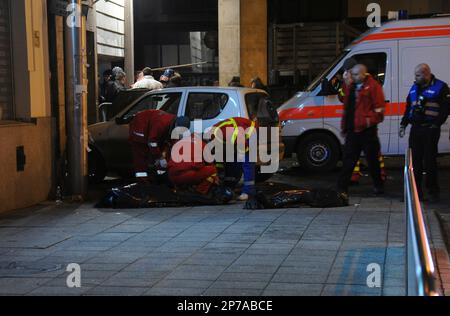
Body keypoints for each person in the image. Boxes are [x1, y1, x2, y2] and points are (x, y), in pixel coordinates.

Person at [400, 63, 450, 202]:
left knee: (430, 161)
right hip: (416, 129)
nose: (415, 78)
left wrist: (436, 124)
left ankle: (433, 191)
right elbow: (409, 106)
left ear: (426, 74)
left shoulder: (440, 87)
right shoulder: (414, 88)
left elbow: (446, 109)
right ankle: (416, 192)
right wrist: (403, 123)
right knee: (414, 161)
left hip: (430, 129)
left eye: (417, 75)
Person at [336, 64, 386, 197]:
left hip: (367, 131)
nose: (353, 76)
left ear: (364, 74)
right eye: (352, 74)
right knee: (348, 161)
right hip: (353, 131)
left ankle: (378, 185)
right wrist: (345, 127)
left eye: (356, 74)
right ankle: (341, 188)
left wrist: (367, 121)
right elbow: (347, 108)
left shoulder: (373, 86)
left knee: (373, 161)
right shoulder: (351, 87)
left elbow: (379, 110)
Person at [129, 109, 190, 181]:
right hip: (140, 130)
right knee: (141, 160)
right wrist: (160, 157)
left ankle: (157, 178)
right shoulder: (161, 123)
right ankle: (143, 181)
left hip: (151, 131)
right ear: (176, 126)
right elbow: (152, 142)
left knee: (154, 157)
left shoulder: (174, 124)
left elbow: (170, 142)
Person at [211, 117, 258, 201]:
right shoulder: (215, 135)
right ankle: (230, 186)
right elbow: (220, 157)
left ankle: (248, 192)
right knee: (232, 161)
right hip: (238, 133)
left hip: (250, 134)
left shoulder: (228, 135)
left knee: (247, 162)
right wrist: (218, 171)